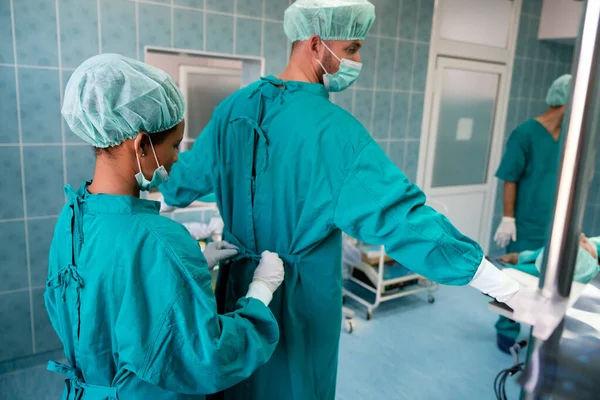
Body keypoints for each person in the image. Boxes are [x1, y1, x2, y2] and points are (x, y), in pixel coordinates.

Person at [159, 1, 525, 399]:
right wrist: (499, 284)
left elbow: (179, 184)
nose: (357, 59)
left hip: (236, 290)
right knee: (295, 384)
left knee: (238, 381)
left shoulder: (233, 107)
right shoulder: (336, 134)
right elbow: (403, 218)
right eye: (351, 48)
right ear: (315, 44)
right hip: (299, 300)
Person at [45, 54, 286, 400]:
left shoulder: (72, 219)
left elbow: (97, 304)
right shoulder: (160, 241)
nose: (176, 158)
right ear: (141, 144)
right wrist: (260, 293)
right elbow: (209, 357)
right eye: (174, 145)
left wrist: (187, 272)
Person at [494, 74, 573, 253]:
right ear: (568, 101)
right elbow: (509, 178)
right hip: (526, 228)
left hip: (556, 225)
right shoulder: (525, 133)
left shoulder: (569, 136)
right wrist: (508, 219)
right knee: (522, 275)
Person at [495, 233, 600, 353]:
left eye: (582, 244)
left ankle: (506, 331)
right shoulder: (592, 247)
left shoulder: (586, 268)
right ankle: (506, 331)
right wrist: (521, 257)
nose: (583, 238)